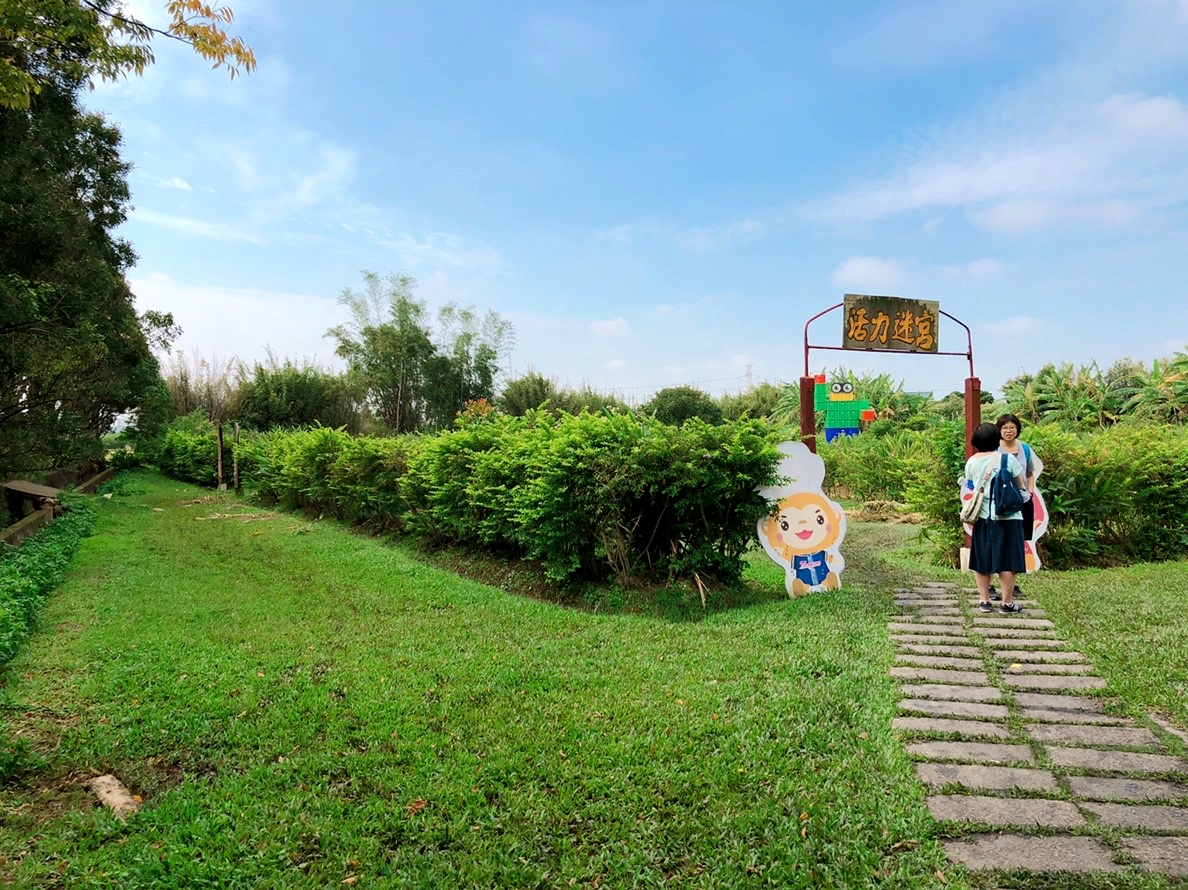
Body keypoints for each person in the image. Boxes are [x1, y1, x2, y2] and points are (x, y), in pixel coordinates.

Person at [964, 422, 1029, 613]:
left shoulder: (972, 462)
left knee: (982, 560)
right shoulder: (1007, 460)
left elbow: (970, 486)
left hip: (983, 518)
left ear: (976, 441)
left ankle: (984, 601)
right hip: (1009, 517)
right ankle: (1007, 604)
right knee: (1008, 561)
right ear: (997, 439)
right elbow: (1020, 484)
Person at [989, 413, 1037, 600]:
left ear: (1017, 429)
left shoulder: (1025, 449)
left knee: (1017, 543)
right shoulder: (994, 450)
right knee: (996, 541)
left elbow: (1030, 473)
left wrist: (1029, 493)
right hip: (999, 503)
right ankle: (992, 584)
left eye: (1012, 427)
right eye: (1004, 428)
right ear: (998, 430)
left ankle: (1011, 585)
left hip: (1021, 502)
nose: (1008, 431)